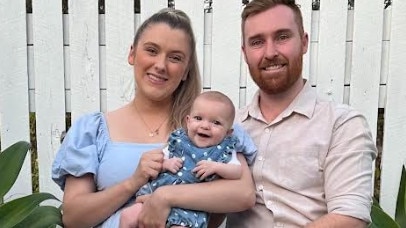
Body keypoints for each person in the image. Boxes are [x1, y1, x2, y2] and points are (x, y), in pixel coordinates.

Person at [52, 8, 256, 228]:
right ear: (132, 54)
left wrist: (165, 197)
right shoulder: (93, 130)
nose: (160, 65)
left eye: (175, 57)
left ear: (186, 70)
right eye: (151, 50)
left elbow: (243, 194)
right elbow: (73, 218)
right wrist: (134, 182)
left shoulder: (208, 127)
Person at [225, 0, 377, 227]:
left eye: (282, 37)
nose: (270, 52)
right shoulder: (229, 126)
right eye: (257, 42)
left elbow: (350, 219)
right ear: (245, 53)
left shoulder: (341, 125)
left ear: (304, 43)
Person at [119, 91, 256, 228]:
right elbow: (157, 163)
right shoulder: (178, 141)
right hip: (153, 198)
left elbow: (237, 172)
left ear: (228, 133)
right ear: (188, 121)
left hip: (189, 209)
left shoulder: (224, 151)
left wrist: (216, 167)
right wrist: (166, 164)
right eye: (198, 118)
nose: (205, 126)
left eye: (216, 122)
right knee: (127, 216)